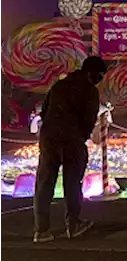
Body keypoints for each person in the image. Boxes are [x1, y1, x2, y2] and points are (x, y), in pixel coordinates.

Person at [32, 57, 107, 242]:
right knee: (72, 183)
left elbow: (44, 111)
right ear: (93, 74)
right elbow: (89, 119)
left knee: (44, 184)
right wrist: (81, 136)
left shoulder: (59, 86)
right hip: (72, 140)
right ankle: (73, 225)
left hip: (49, 139)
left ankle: (41, 230)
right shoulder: (89, 90)